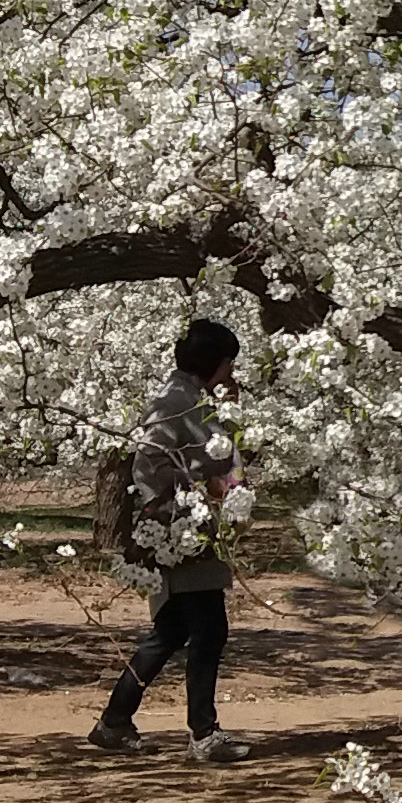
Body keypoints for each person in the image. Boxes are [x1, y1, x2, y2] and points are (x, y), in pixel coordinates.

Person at [89, 317, 253, 762]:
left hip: (193, 529)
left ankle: (114, 721)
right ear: (213, 363)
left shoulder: (195, 399)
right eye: (227, 364)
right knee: (209, 631)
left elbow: (221, 454)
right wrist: (195, 492)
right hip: (182, 533)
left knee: (172, 631)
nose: (232, 373)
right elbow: (150, 466)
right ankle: (204, 733)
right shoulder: (174, 402)